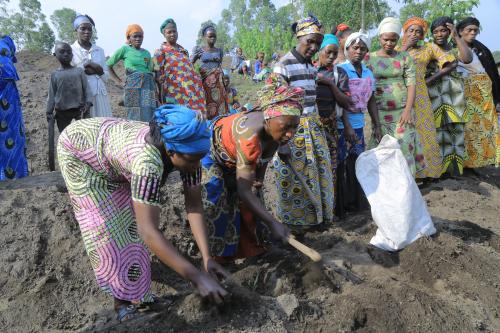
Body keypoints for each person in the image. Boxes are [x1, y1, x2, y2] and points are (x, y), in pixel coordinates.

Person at [57, 105, 228, 322]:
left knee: (131, 223)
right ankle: (122, 303)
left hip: (115, 151)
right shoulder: (147, 163)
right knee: (110, 229)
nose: (196, 166)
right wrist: (197, 278)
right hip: (80, 153)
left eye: (199, 158)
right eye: (193, 159)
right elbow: (148, 232)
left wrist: (206, 258)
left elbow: (194, 205)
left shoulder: (188, 154)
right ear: (172, 151)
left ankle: (142, 296)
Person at [201, 76, 302, 260]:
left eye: (295, 127)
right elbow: (243, 191)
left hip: (238, 157)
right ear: (268, 120)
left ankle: (254, 249)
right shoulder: (250, 137)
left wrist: (257, 183)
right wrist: (273, 222)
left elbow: (255, 178)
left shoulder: (275, 134)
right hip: (212, 153)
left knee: (253, 200)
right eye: (286, 127)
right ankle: (216, 259)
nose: (290, 134)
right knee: (216, 201)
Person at [273, 15, 335, 228]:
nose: (314, 46)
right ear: (299, 37)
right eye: (310, 41)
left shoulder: (311, 67)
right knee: (294, 178)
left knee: (316, 174)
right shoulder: (283, 66)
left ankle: (315, 218)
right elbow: (274, 108)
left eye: (318, 43)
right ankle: (293, 224)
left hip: (314, 128)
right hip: (291, 131)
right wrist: (282, 143)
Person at [365, 17, 426, 177]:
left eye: (394, 40)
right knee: (382, 150)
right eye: (386, 39)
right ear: (379, 38)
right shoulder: (369, 58)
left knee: (404, 147)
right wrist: (374, 120)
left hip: (401, 114)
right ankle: (387, 187)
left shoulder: (404, 57)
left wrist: (408, 110)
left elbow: (411, 84)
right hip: (380, 114)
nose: (390, 43)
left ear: (398, 39)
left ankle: (407, 186)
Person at [401, 17, 455, 180]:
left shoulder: (429, 48)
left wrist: (430, 79)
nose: (415, 34)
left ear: (423, 33)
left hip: (421, 95)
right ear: (405, 32)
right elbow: (391, 62)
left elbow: (450, 63)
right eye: (411, 31)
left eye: (419, 31)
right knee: (404, 132)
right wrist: (406, 46)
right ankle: (406, 173)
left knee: (424, 132)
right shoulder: (397, 47)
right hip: (400, 94)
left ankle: (426, 173)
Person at [337, 32, 381, 215]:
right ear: (347, 49)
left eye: (363, 48)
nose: (359, 51)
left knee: (356, 163)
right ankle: (341, 207)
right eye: (355, 47)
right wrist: (346, 126)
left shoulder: (368, 72)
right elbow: (340, 101)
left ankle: (356, 203)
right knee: (341, 165)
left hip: (358, 125)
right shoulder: (340, 70)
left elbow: (371, 100)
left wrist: (377, 125)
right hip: (342, 125)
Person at [426, 17, 472, 176]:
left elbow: (467, 58)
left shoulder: (454, 49)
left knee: (456, 132)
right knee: (439, 133)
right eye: (435, 31)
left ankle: (456, 171)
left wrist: (456, 37)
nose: (439, 34)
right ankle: (439, 171)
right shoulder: (428, 49)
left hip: (455, 97)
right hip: (435, 97)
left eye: (443, 30)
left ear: (449, 31)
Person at [456, 17, 499, 169]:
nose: (473, 33)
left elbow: (493, 73)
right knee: (470, 129)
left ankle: (484, 162)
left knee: (486, 128)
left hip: (484, 95)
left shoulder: (481, 49)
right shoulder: (454, 48)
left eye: (475, 30)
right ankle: (470, 164)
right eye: (469, 30)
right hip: (467, 94)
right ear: (460, 32)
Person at [315, 34, 349, 217]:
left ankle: (331, 210)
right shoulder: (309, 70)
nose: (331, 57)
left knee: (330, 168)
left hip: (330, 127)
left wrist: (329, 84)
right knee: (312, 168)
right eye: (328, 52)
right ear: (320, 51)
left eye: (335, 54)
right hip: (309, 126)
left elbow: (346, 102)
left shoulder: (339, 74)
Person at [153, 19, 206, 113]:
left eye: (174, 31)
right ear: (164, 34)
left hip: (193, 94)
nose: (172, 34)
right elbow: (157, 76)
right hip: (175, 95)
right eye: (169, 32)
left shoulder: (184, 51)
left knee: (197, 120)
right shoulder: (161, 52)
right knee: (181, 120)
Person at [107, 24, 156, 122]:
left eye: (140, 36)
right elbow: (108, 65)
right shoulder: (125, 49)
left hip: (148, 85)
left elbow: (151, 69)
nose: (138, 39)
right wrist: (119, 81)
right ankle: (134, 136)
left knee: (148, 111)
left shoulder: (146, 53)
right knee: (134, 113)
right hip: (133, 84)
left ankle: (146, 135)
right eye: (135, 36)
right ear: (129, 38)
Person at [71, 15, 112, 117]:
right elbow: (70, 74)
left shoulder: (99, 50)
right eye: (83, 29)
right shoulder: (71, 50)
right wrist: (88, 68)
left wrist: (97, 70)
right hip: (81, 95)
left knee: (102, 124)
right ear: (76, 30)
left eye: (89, 29)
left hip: (100, 95)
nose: (87, 32)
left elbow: (106, 77)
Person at [46, 42, 92, 133]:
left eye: (69, 52)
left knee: (85, 134)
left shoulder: (79, 71)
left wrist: (88, 103)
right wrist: (49, 111)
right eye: (62, 52)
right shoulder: (55, 74)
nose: (66, 54)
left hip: (80, 110)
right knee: (65, 136)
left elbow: (87, 89)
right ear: (55, 55)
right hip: (62, 112)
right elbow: (51, 95)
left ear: (72, 54)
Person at [0, 36, 28, 180]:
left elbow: (12, 58)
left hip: (8, 92)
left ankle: (17, 173)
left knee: (13, 131)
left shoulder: (7, 41)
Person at [191, 25, 229, 119]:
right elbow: (189, 63)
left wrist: (225, 79)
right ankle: (209, 127)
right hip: (206, 83)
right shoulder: (199, 50)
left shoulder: (219, 50)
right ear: (204, 37)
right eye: (210, 36)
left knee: (221, 103)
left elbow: (220, 66)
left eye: (214, 36)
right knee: (208, 103)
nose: (213, 38)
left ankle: (220, 126)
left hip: (219, 83)